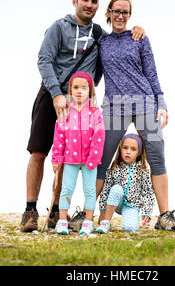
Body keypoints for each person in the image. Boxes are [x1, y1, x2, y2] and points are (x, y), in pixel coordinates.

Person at [20, 0, 145, 232]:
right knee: (39, 151)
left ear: (99, 6)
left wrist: (136, 30)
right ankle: (30, 210)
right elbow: (43, 59)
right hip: (52, 95)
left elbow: (117, 40)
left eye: (94, 1)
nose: (89, 4)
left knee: (72, 155)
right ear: (75, 0)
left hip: (82, 102)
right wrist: (57, 94)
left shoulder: (99, 33)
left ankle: (57, 211)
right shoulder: (59, 27)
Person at [96, 0, 175, 231]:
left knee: (156, 155)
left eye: (126, 12)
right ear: (109, 11)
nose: (121, 16)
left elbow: (152, 72)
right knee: (101, 159)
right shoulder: (101, 42)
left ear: (130, 15)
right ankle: (87, 215)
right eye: (117, 11)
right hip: (114, 107)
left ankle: (164, 215)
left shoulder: (140, 38)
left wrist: (161, 103)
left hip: (145, 104)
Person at [51, 72, 105, 235]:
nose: (79, 91)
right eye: (75, 87)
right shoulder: (66, 112)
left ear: (90, 91)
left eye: (83, 88)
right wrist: (57, 157)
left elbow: (99, 135)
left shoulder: (95, 112)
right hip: (70, 159)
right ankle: (61, 221)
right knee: (66, 189)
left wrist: (94, 158)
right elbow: (59, 137)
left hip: (90, 160)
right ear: (70, 90)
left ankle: (88, 221)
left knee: (89, 190)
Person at [97, 134, 155, 233]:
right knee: (116, 189)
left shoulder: (143, 170)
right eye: (125, 148)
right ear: (120, 149)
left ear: (139, 152)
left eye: (133, 149)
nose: (128, 152)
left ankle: (130, 219)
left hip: (132, 204)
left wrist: (146, 211)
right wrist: (103, 209)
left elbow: (148, 192)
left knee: (130, 228)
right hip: (116, 201)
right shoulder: (115, 167)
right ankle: (106, 222)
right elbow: (105, 190)